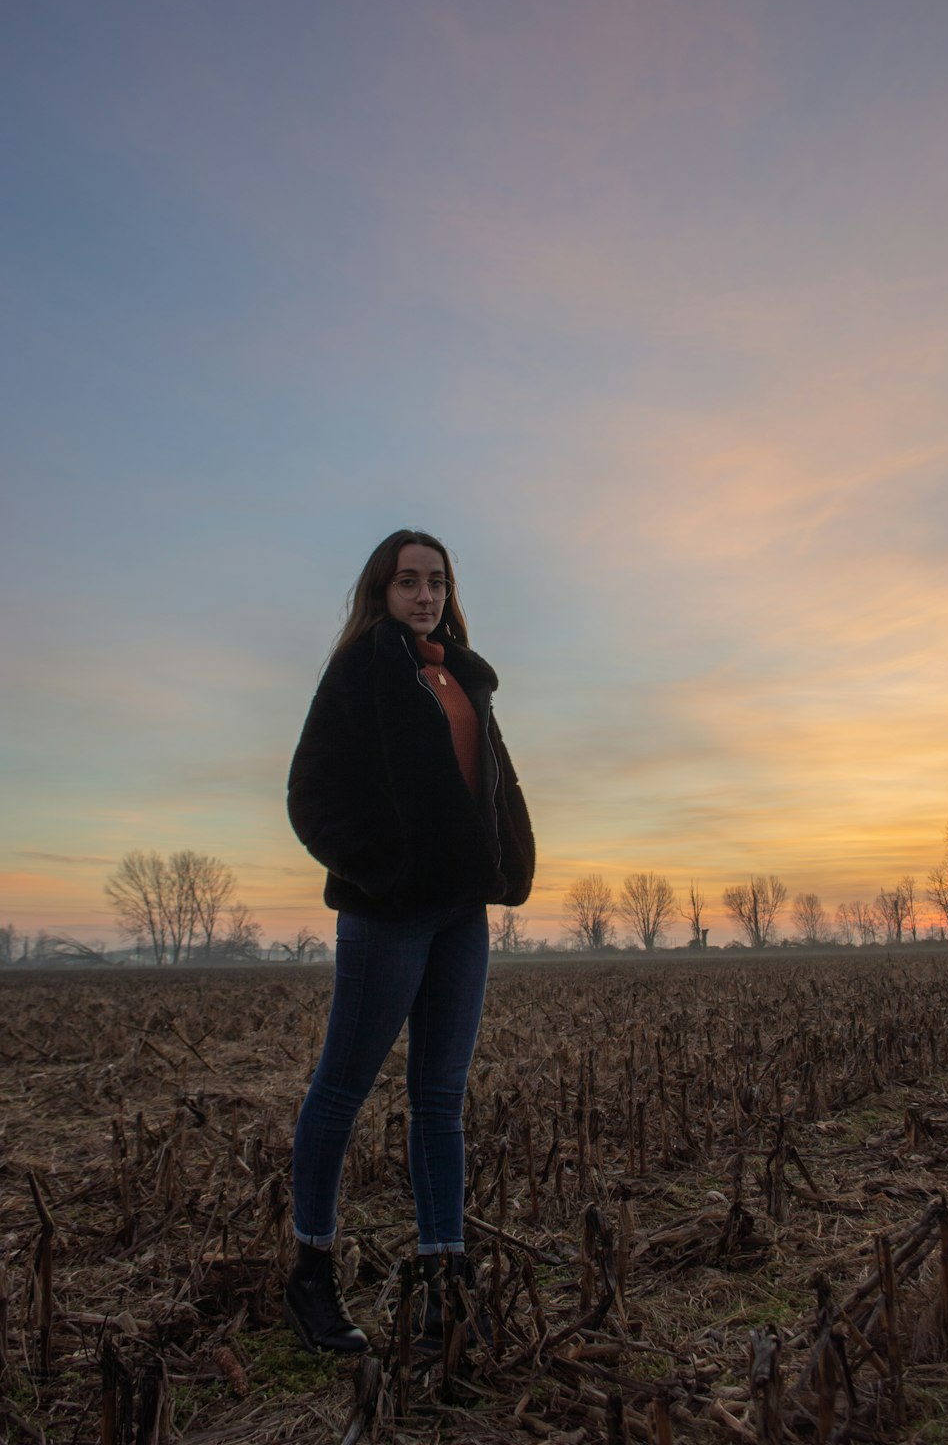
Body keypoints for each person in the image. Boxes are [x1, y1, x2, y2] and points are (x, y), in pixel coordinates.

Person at [284, 528, 535, 1353]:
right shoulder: (361, 669)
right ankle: (311, 1276)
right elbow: (310, 795)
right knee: (341, 1092)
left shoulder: (461, 674)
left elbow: (490, 778)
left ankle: (444, 1287)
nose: (423, 594)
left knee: (438, 1101)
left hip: (463, 914)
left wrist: (508, 860)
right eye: (407, 582)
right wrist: (385, 872)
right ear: (381, 591)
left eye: (435, 581)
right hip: (387, 915)